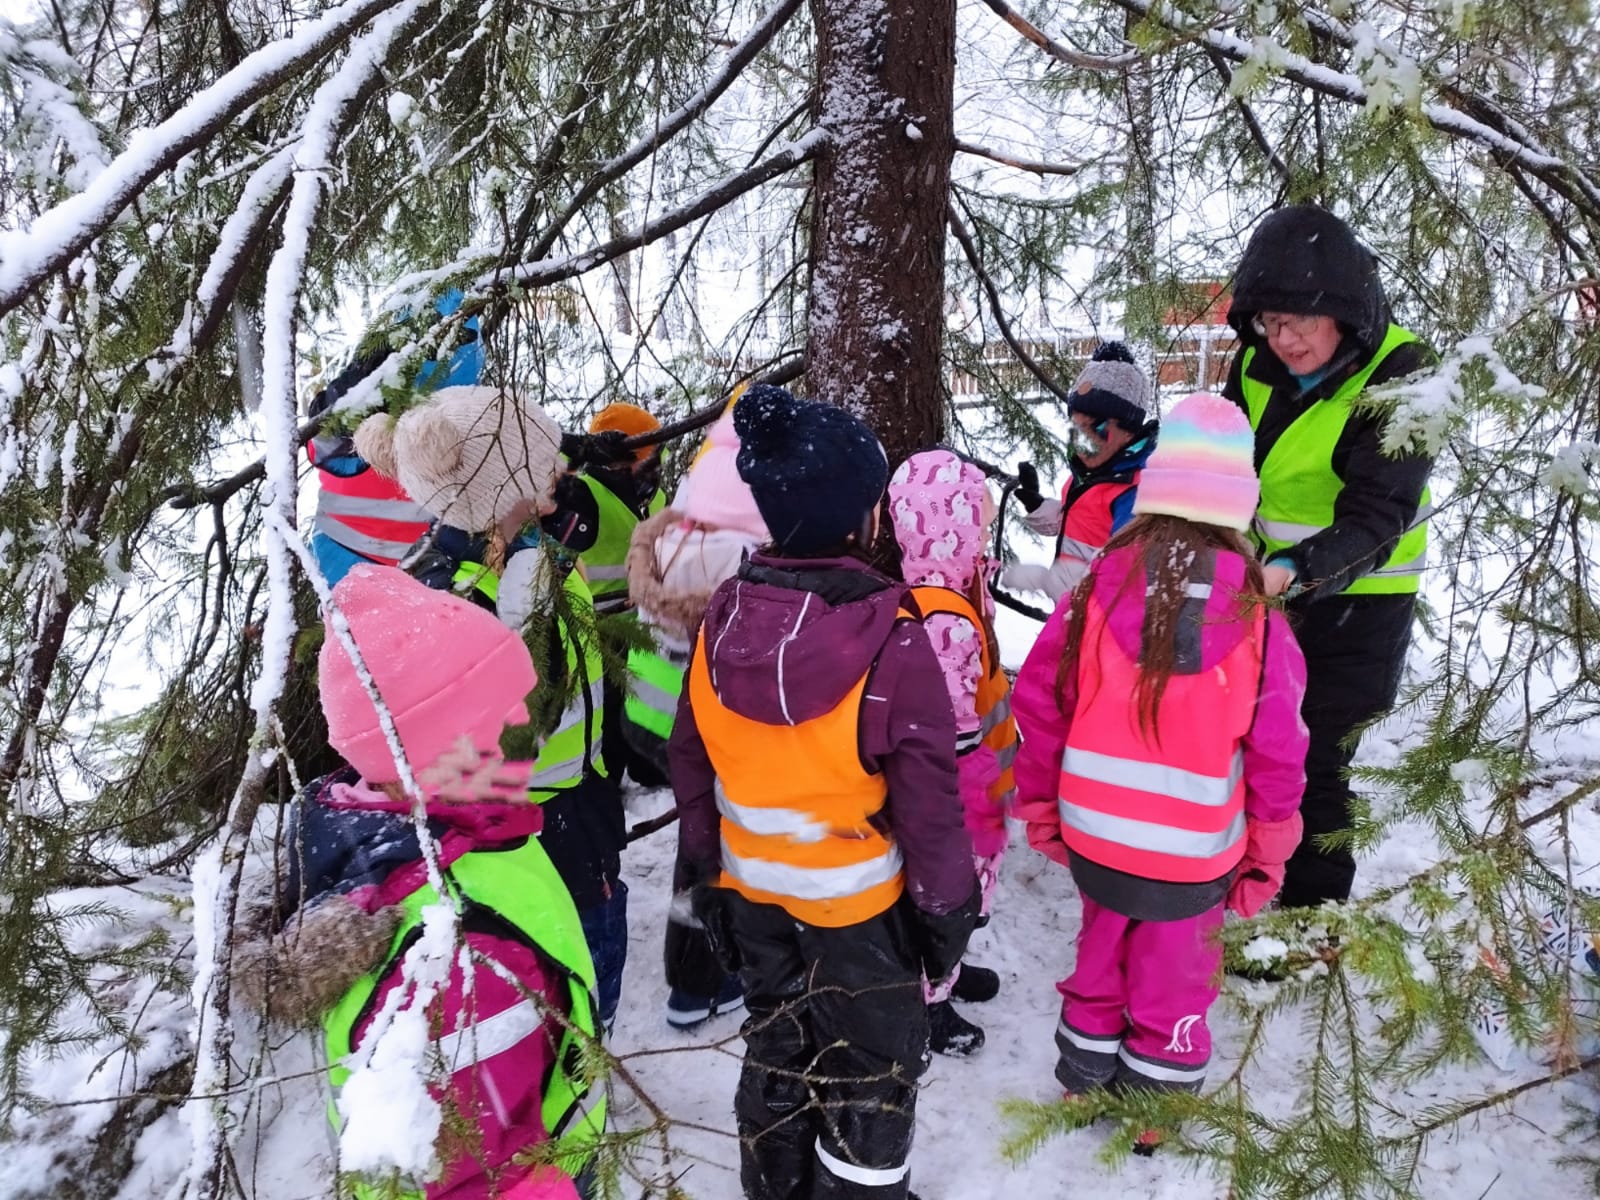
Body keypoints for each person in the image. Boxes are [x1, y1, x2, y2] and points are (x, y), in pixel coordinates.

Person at [668, 385, 979, 1200]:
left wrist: (705, 875)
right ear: (864, 517)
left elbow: (691, 763)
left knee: (776, 1044)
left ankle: (774, 1185)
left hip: (753, 894)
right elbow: (930, 805)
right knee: (870, 1071)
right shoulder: (895, 638)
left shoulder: (721, 620)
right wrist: (948, 916)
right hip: (860, 913)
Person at [236, 564, 603, 1200]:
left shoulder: (434, 832)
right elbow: (474, 1178)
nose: (522, 716)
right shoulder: (458, 954)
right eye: (498, 711)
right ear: (428, 747)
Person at [1011, 392, 1308, 1142]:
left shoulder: (1094, 592)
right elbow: (1278, 750)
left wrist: (1041, 806)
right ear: (1237, 506)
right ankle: (1154, 1105)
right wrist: (1267, 853)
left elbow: (1040, 703)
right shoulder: (1257, 617)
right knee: (1175, 974)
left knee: (1100, 955)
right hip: (1196, 855)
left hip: (1097, 837)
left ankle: (1083, 1082)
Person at [354, 387, 630, 1033]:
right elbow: (511, 725)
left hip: (577, 789)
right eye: (543, 464)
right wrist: (531, 602)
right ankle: (581, 1044)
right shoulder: (468, 596)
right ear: (503, 488)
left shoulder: (514, 542)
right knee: (577, 946)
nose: (558, 475)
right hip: (533, 818)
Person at [1223, 204, 1435, 908]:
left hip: (1361, 604)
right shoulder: (1254, 365)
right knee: (1249, 739)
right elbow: (1222, 461)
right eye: (1269, 323)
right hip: (1267, 588)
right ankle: (1250, 878)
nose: (1284, 340)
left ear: (1341, 309)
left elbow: (1380, 510)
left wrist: (1296, 568)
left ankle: (1311, 916)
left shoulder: (1403, 373)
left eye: (1300, 322)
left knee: (1314, 761)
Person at [623, 392, 765, 1031]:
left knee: (699, 840)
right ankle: (700, 978)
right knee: (711, 851)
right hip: (701, 733)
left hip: (652, 722)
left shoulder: (679, 527)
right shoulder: (741, 549)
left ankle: (697, 969)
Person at [885, 448, 1017, 1057]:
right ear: (952, 531)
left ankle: (950, 971)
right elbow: (948, 729)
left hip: (974, 783)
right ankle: (928, 1001)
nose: (984, 541)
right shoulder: (943, 619)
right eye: (978, 529)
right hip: (958, 796)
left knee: (961, 896)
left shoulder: (949, 598)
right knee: (948, 898)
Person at [306, 292, 482, 586]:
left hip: (430, 571)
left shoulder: (474, 427)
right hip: (354, 565)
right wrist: (345, 397)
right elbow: (326, 442)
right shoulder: (368, 414)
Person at [551, 401, 669, 787]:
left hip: (648, 626)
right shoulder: (581, 495)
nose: (655, 465)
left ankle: (649, 768)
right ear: (618, 460)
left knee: (650, 707)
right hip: (599, 630)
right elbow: (534, 477)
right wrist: (574, 447)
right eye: (647, 457)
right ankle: (606, 781)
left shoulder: (654, 495)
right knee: (609, 717)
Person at [1003, 341, 1158, 602]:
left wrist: (1048, 581)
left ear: (1129, 430)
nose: (1082, 442)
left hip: (1097, 618)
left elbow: (1121, 580)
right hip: (1071, 610)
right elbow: (1078, 521)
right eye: (1076, 428)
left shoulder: (1134, 493)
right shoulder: (1092, 472)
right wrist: (1038, 505)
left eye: (1095, 428)